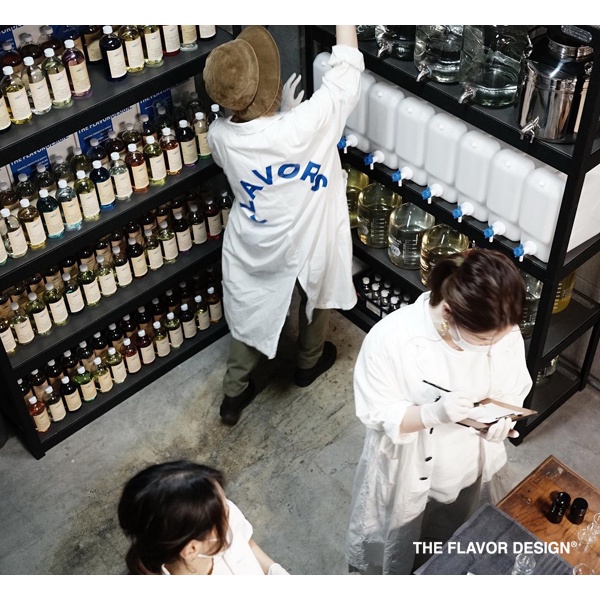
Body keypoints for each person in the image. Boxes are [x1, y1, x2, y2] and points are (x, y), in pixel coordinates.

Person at [202, 25, 363, 425]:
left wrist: (276, 115)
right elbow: (347, 70)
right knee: (317, 291)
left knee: (252, 309)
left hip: (256, 240)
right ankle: (308, 363)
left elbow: (257, 144)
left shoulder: (219, 135)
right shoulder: (305, 124)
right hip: (310, 234)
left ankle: (234, 394)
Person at [345, 249, 533, 575]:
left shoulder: (502, 329)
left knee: (453, 545)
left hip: (468, 466)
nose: (494, 346)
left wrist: (498, 423)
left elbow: (512, 385)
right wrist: (432, 414)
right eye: (483, 341)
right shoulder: (392, 340)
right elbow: (378, 413)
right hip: (408, 470)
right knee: (396, 553)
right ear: (448, 311)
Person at [117, 460, 288, 575]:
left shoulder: (219, 513)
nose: (229, 508)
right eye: (223, 511)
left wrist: (277, 572)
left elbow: (247, 544)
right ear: (191, 549)